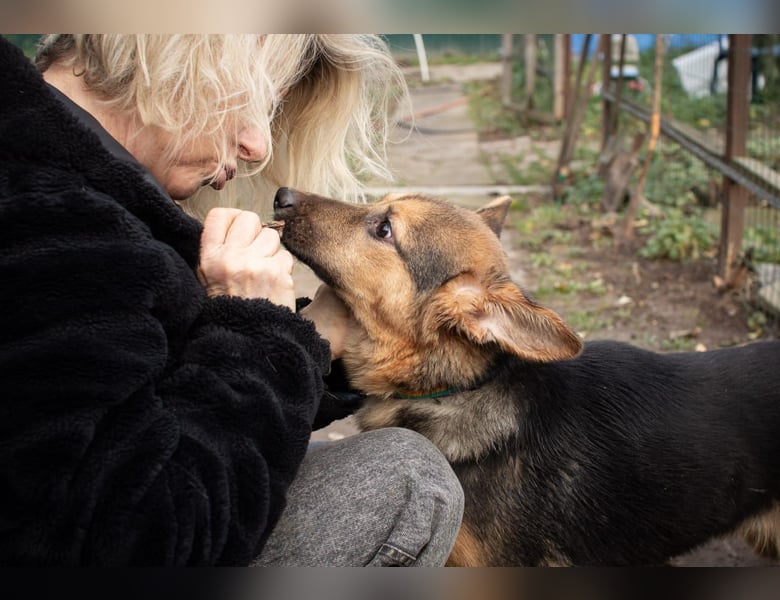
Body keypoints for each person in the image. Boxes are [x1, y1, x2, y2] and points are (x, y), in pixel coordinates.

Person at [0, 34, 463, 566]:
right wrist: (257, 338)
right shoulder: (52, 225)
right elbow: (134, 537)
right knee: (405, 477)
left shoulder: (60, 182)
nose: (257, 146)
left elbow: (135, 419)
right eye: (253, 103)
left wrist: (309, 341)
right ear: (173, 59)